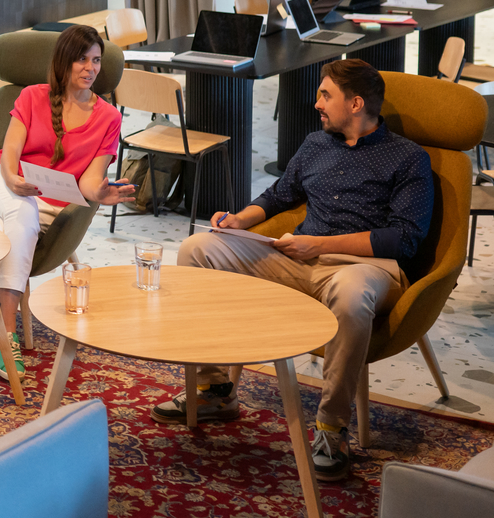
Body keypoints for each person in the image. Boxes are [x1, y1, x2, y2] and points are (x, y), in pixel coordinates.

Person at [151, 58, 431, 481]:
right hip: (297, 261)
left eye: (325, 95)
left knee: (352, 297)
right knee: (198, 249)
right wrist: (241, 220)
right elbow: (281, 194)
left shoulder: (408, 159)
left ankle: (332, 428)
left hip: (363, 268)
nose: (316, 102)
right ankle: (214, 390)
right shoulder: (317, 144)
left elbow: (403, 238)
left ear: (356, 104)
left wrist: (318, 244)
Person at [0, 24, 135, 372]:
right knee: (20, 214)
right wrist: (12, 178)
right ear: (63, 63)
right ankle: (7, 336)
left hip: (43, 205)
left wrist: (103, 193)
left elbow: (90, 183)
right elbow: (9, 154)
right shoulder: (32, 95)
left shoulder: (109, 118)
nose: (90, 68)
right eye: (81, 59)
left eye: (96, 60)